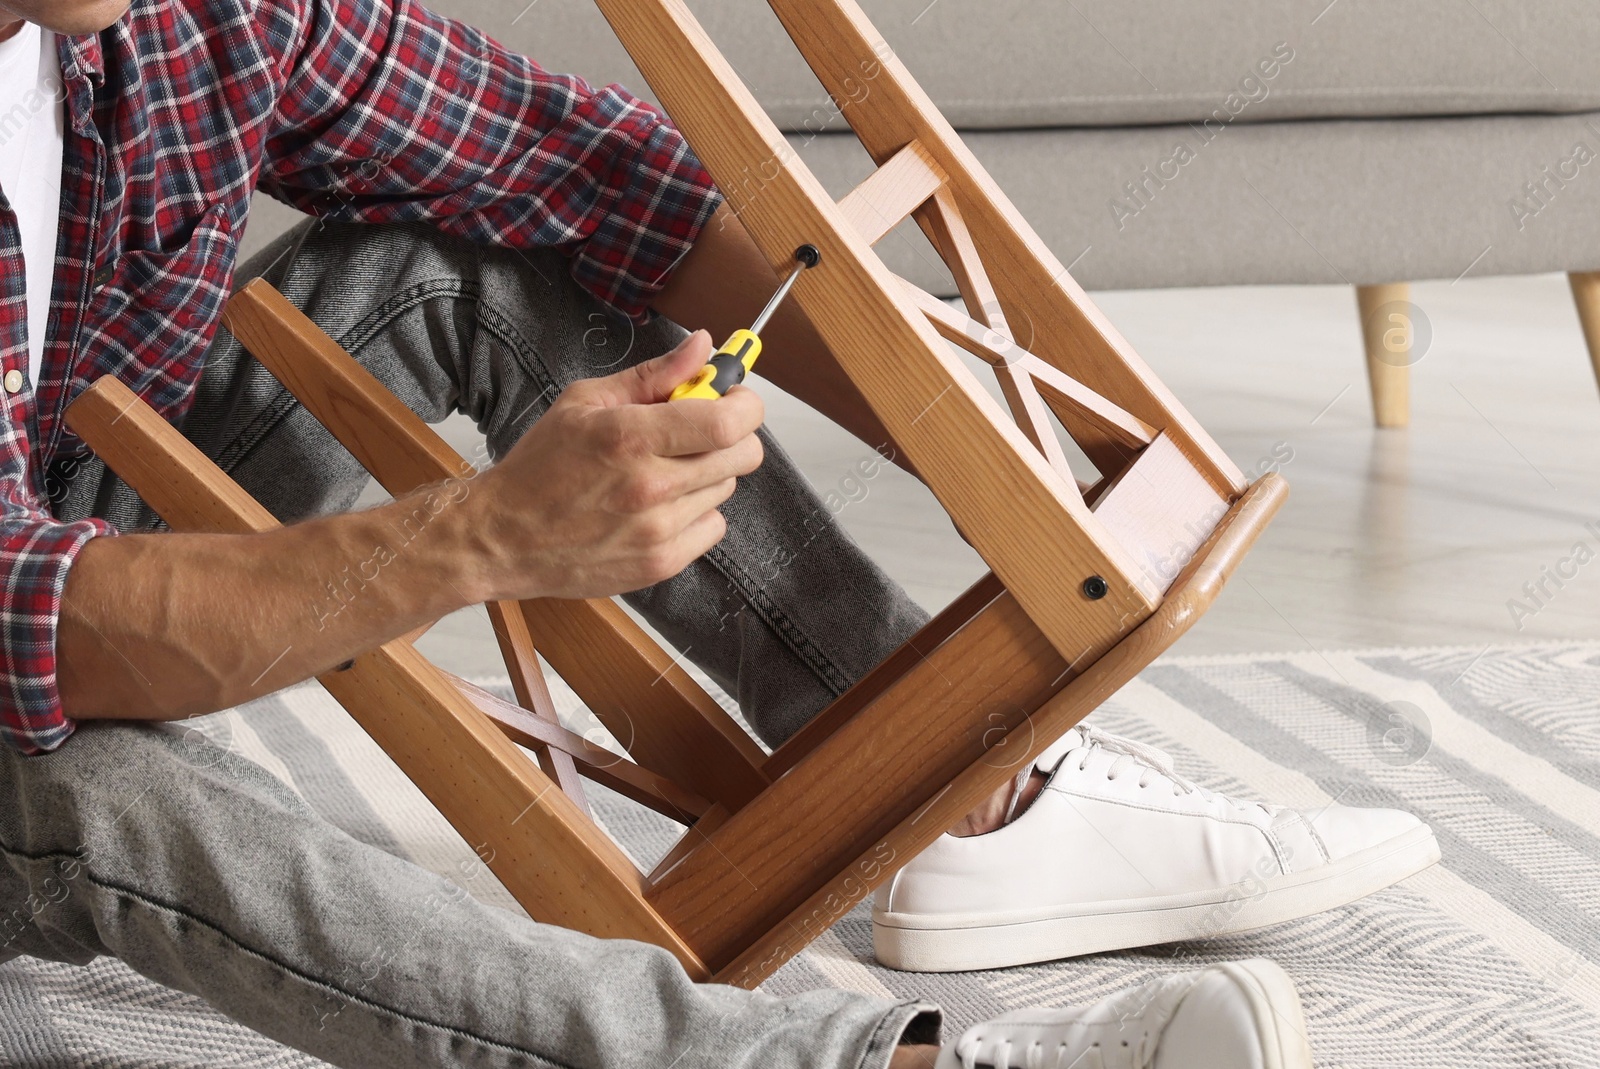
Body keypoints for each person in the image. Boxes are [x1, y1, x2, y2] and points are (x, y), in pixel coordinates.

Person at [0, 0, 1435, 1064]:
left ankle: (963, 807)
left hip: (54, 513)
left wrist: (976, 445)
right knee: (95, 784)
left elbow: (578, 170)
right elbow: (21, 620)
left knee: (453, 255)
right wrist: (475, 541)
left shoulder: (179, 24)